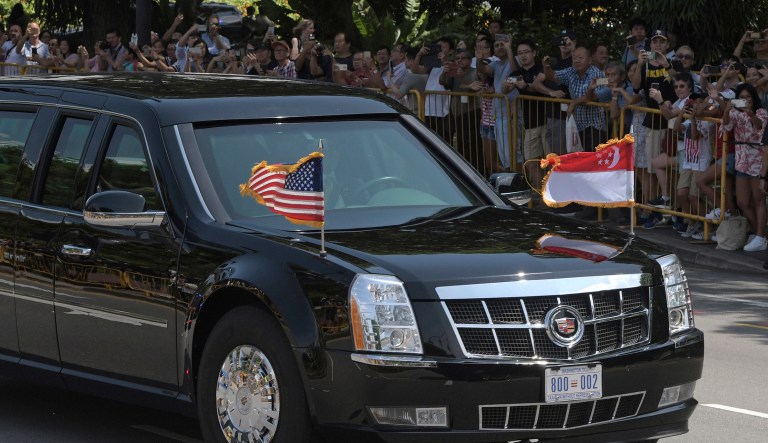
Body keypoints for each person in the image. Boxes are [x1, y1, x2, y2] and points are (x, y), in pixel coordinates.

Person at [713, 83, 768, 251]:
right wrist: (727, 111)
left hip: (757, 158)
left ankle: (759, 235)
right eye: (742, 98)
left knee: (758, 199)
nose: (746, 100)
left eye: (748, 97)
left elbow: (760, 127)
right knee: (743, 201)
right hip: (741, 158)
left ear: (754, 98)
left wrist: (750, 113)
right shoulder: (736, 113)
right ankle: (761, 233)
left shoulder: (761, 112)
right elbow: (726, 127)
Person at [629, 29, 676, 219]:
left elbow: (681, 82)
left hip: (670, 120)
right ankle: (656, 210)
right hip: (651, 121)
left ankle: (669, 211)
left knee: (665, 169)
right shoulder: (646, 64)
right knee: (651, 168)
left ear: (667, 45)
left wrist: (667, 65)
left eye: (661, 42)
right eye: (655, 42)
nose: (658, 45)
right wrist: (640, 63)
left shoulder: (672, 63)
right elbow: (636, 86)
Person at [507, 39, 546, 188]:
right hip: (530, 123)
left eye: (526, 52)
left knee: (552, 161)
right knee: (530, 162)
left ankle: (556, 197)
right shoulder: (517, 74)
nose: (523, 56)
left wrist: (527, 86)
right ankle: (543, 194)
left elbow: (539, 88)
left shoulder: (542, 69)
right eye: (520, 53)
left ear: (534, 53)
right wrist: (506, 86)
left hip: (547, 121)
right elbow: (505, 89)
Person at [413, 37, 455, 145]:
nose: (440, 50)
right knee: (430, 143)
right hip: (428, 111)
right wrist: (419, 55)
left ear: (450, 51)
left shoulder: (452, 65)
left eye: (444, 47)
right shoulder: (432, 65)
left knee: (444, 143)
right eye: (438, 47)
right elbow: (415, 70)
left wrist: (444, 61)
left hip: (443, 113)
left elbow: (447, 80)